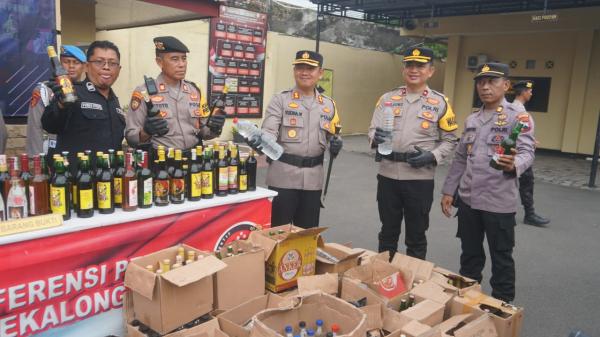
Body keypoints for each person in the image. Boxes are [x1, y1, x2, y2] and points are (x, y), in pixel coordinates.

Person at [440, 63, 536, 302]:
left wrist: (514, 164)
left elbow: (527, 152)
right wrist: (449, 190)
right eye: (481, 82)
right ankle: (467, 301)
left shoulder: (518, 117)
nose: (485, 87)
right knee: (469, 255)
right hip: (469, 201)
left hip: (498, 202)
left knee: (501, 257)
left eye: (492, 81)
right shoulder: (472, 119)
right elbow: (461, 158)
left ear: (506, 85)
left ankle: (502, 308)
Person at [368, 47, 458, 260]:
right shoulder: (387, 98)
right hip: (388, 175)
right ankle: (385, 279)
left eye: (420, 66)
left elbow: (450, 139)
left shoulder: (440, 103)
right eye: (410, 65)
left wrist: (433, 156)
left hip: (419, 180)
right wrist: (375, 138)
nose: (414, 70)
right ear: (404, 69)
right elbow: (372, 130)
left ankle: (413, 284)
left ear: (431, 71)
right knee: (387, 232)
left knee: (416, 236)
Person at [249, 50, 343, 229]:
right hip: (283, 178)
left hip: (313, 180)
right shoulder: (280, 100)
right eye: (300, 67)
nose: (304, 72)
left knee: (306, 235)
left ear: (320, 73)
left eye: (310, 68)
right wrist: (261, 142)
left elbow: (333, 136)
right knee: (278, 234)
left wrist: (337, 145)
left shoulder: (328, 105)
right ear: (294, 70)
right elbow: (269, 131)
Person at [125, 36, 225, 154]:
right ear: (159, 62)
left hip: (193, 159)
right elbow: (131, 137)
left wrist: (215, 127)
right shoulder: (144, 92)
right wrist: (147, 131)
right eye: (174, 59)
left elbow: (204, 132)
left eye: (184, 59)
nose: (181, 64)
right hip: (162, 162)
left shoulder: (195, 91)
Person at [42, 40, 125, 169]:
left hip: (110, 181)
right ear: (86, 66)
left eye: (112, 63)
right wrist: (61, 104)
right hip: (79, 182)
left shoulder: (115, 101)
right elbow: (51, 125)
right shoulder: (73, 93)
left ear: (119, 69)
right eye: (99, 62)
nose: (106, 67)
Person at [26, 45, 86, 156]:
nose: (71, 66)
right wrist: (36, 159)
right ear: (59, 65)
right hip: (52, 151)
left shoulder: (87, 91)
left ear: (84, 67)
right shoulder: (44, 90)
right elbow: (35, 127)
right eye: (67, 62)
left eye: (76, 63)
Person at [512, 80, 550, 227]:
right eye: (530, 91)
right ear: (523, 92)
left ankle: (528, 213)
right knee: (525, 184)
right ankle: (529, 214)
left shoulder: (512, 108)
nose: (531, 93)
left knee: (520, 183)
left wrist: (530, 140)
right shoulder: (519, 111)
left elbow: (516, 132)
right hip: (519, 154)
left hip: (517, 152)